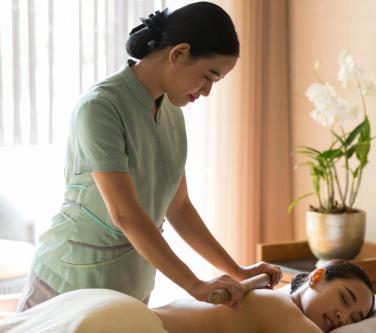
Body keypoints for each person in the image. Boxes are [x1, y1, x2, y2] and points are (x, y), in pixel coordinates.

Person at [17, 1, 281, 312]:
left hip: (131, 286)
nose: (207, 91)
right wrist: (194, 284)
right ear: (179, 53)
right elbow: (125, 214)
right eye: (208, 77)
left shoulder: (171, 112)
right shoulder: (100, 107)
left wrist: (238, 271)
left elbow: (179, 206)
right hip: (69, 283)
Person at [1, 260, 374, 333]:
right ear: (317, 277)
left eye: (355, 319)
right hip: (130, 323)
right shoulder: (283, 310)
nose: (343, 318)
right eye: (344, 300)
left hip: (101, 305)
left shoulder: (262, 298)